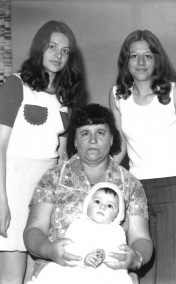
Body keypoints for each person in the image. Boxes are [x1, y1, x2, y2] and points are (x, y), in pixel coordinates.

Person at [23, 103, 153, 284]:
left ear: (112, 139)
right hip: (58, 272)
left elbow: (141, 238)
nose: (92, 140)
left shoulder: (130, 183)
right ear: (75, 141)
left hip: (110, 276)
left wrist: (136, 258)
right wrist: (48, 249)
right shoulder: (53, 177)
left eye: (100, 133)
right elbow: (34, 229)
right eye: (85, 133)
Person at [109, 29, 176, 284]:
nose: (140, 62)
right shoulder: (117, 95)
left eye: (147, 56)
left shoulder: (175, 92)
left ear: (157, 59)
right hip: (136, 190)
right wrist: (93, 174)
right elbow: (119, 150)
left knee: (174, 271)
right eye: (134, 56)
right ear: (125, 61)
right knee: (141, 270)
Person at [0, 20, 83, 284]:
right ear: (40, 48)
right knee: (12, 275)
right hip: (13, 183)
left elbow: (62, 156)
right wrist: (1, 200)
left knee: (36, 275)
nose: (58, 55)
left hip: (46, 188)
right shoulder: (15, 84)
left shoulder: (65, 98)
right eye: (52, 46)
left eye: (65, 50)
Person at [27, 182, 134, 284]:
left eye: (110, 206)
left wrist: (105, 255)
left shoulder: (116, 231)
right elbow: (68, 248)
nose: (102, 207)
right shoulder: (78, 225)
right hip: (77, 269)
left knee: (122, 279)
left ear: (118, 214)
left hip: (106, 272)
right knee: (52, 271)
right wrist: (84, 257)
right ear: (87, 204)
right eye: (97, 201)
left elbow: (121, 253)